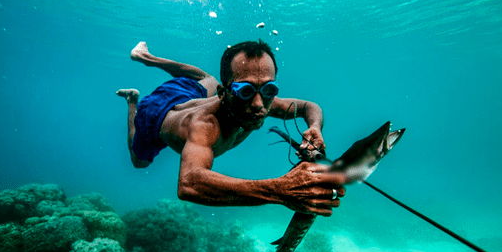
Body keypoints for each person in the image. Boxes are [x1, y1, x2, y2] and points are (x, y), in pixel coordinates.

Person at [116, 40, 344, 216]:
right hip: (155, 114)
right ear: (223, 94)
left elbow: (308, 106)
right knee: (139, 162)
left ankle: (146, 57)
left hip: (187, 92)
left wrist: (315, 127)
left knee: (207, 78)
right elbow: (189, 184)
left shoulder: (260, 100)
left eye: (269, 89)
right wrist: (281, 190)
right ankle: (132, 101)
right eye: (245, 91)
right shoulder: (205, 125)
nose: (258, 105)